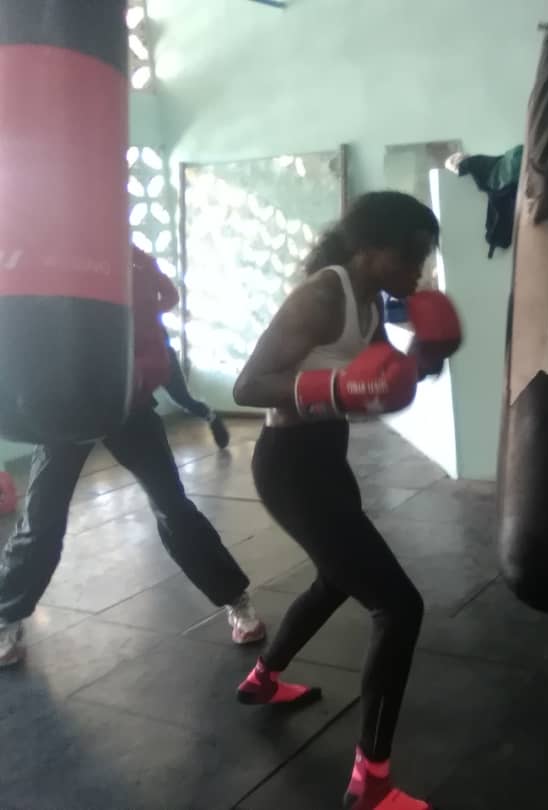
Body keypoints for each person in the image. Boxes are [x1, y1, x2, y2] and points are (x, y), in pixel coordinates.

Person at [231, 191, 461, 810]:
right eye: (409, 256)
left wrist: (426, 355)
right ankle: (371, 783)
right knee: (399, 607)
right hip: (289, 467)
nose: (416, 271)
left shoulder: (365, 299)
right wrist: (334, 384)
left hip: (325, 458)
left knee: (337, 579)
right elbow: (249, 383)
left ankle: (262, 679)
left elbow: (380, 377)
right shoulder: (323, 294)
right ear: (368, 248)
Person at [0, 246, 266, 667]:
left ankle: (235, 598)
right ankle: (6, 616)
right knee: (41, 520)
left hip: (127, 403)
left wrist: (140, 326)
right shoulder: (44, 256)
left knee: (173, 509)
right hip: (65, 408)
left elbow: (166, 298)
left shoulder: (128, 257)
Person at [148, 270, 231, 449]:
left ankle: (213, 418)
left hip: (160, 351)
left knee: (183, 399)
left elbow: (171, 296)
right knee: (137, 405)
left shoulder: (143, 264)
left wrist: (149, 310)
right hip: (135, 354)